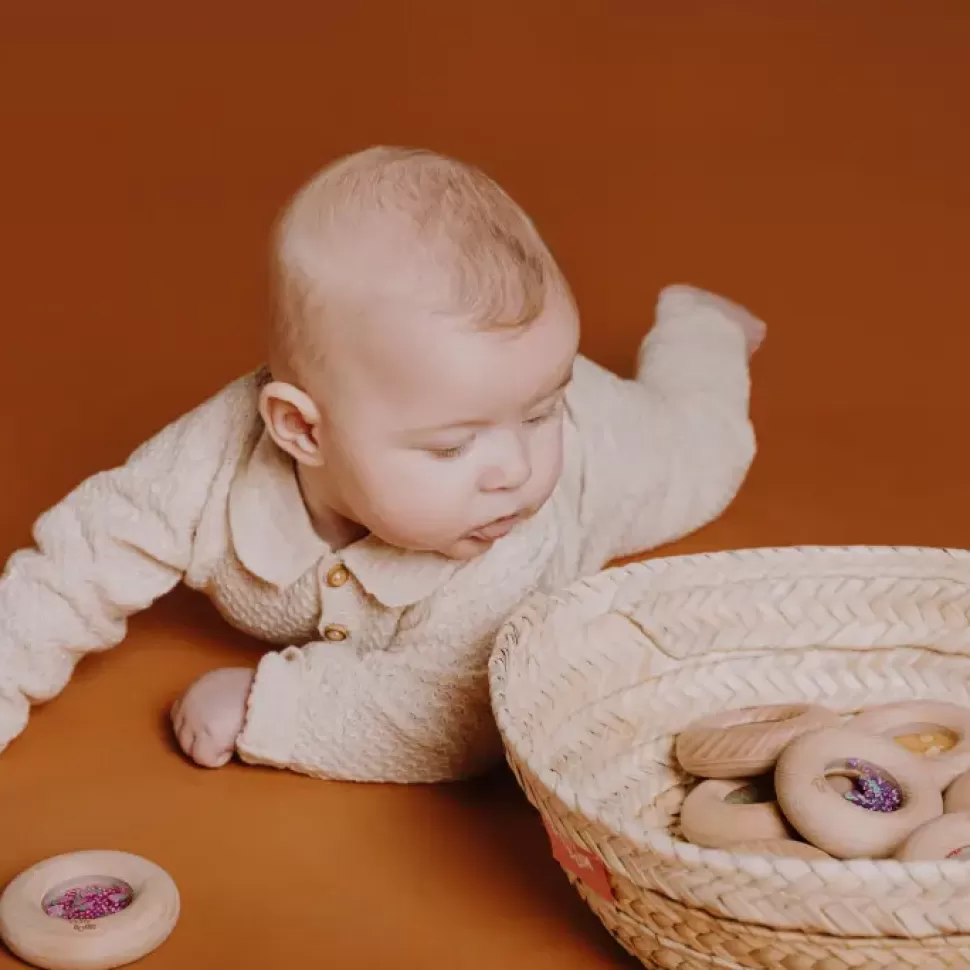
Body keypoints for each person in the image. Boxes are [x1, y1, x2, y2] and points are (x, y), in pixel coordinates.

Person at [0, 146, 765, 783]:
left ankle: (702, 332)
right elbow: (74, 567)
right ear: (302, 428)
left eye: (538, 416)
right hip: (488, 389)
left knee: (706, 453)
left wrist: (271, 705)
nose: (515, 471)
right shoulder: (205, 464)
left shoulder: (506, 534)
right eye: (450, 446)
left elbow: (453, 717)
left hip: (608, 446)